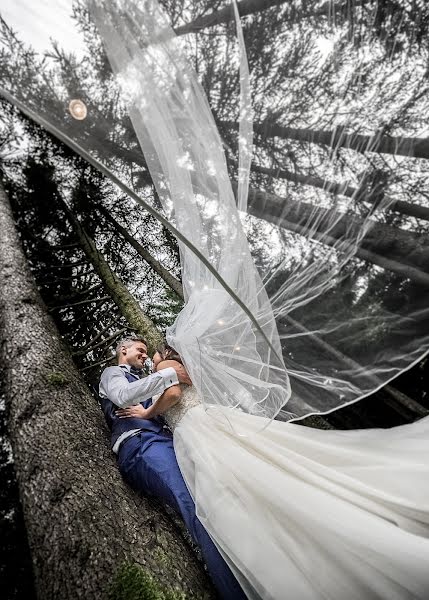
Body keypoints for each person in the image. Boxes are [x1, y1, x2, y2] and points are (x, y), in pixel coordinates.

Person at [116, 348, 429, 600]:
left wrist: (145, 412)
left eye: (149, 352)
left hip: (195, 429)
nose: (149, 358)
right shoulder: (184, 366)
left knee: (225, 486)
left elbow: (171, 397)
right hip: (205, 422)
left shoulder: (164, 366)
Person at [98, 336, 247, 600]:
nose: (144, 356)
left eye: (146, 352)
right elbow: (122, 396)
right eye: (140, 351)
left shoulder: (147, 379)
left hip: (166, 443)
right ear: (123, 349)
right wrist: (168, 373)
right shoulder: (112, 373)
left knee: (212, 503)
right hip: (142, 444)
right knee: (195, 508)